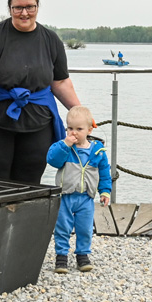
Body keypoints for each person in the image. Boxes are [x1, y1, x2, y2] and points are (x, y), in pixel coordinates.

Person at [0, 0, 82, 183]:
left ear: (37, 7)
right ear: (10, 9)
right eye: (18, 8)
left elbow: (60, 82)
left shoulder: (51, 40)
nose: (24, 13)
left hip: (38, 123)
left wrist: (80, 113)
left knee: (29, 184)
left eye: (30, 7)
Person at [47, 106, 111, 274]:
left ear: (89, 130)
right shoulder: (65, 148)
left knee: (85, 228)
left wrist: (105, 192)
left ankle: (82, 255)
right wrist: (65, 145)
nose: (73, 132)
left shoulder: (98, 151)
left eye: (79, 129)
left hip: (86, 198)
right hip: (65, 196)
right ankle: (61, 257)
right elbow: (52, 160)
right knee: (63, 227)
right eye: (70, 128)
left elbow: (104, 174)